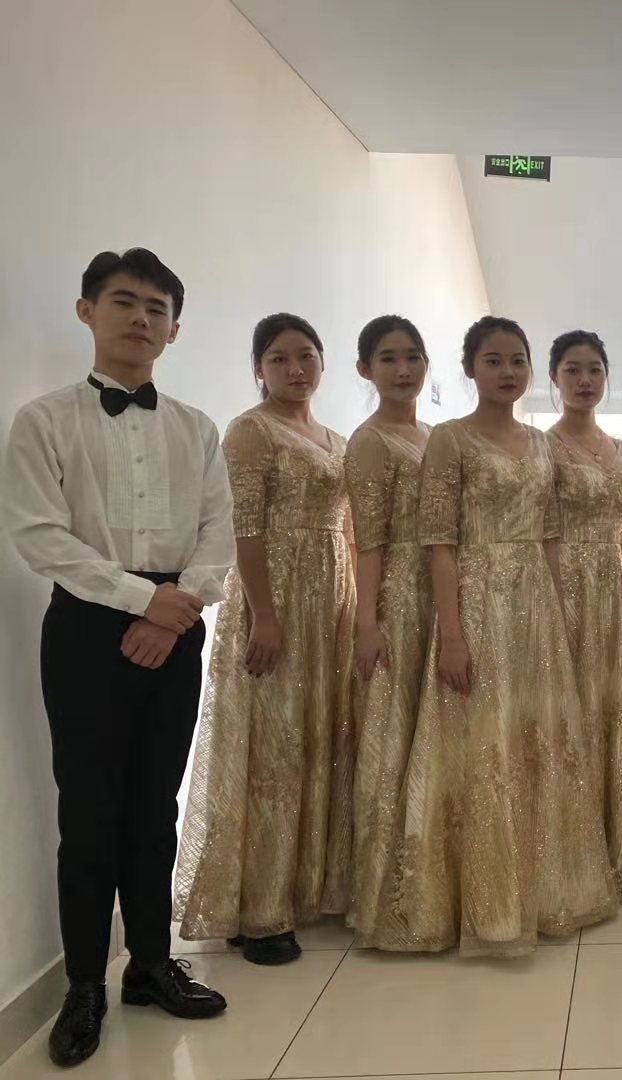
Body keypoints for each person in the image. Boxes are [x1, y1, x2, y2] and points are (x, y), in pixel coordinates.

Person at [3, 249, 231, 1067]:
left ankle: (151, 965)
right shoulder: (43, 421)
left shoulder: (197, 429)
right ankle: (83, 987)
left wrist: (173, 611)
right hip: (87, 626)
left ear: (174, 330)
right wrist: (142, 601)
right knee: (90, 810)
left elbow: (218, 535)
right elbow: (38, 534)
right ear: (87, 311)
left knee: (153, 804)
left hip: (177, 621)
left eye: (156, 308)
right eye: (125, 302)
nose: (141, 319)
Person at [398, 316, 617, 956]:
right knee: (482, 741)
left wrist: (560, 614)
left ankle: (546, 887)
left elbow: (550, 537)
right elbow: (439, 543)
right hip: (478, 600)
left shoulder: (542, 444)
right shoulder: (449, 439)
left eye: (516, 360)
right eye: (493, 360)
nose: (507, 371)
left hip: (536, 605)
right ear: (470, 368)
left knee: (537, 739)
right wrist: (452, 635)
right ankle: (485, 898)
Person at [174, 313, 357, 966]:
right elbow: (244, 527)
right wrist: (265, 615)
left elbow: (348, 529)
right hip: (274, 597)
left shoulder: (336, 439)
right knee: (273, 747)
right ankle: (259, 911)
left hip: (331, 600)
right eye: (279, 358)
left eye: (306, 355)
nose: (295, 369)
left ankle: (308, 887)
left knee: (320, 737)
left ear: (323, 363)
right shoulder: (249, 432)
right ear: (258, 368)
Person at [546, 329, 622, 902]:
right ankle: (566, 847)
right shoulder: (541, 448)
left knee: (611, 705)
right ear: (554, 378)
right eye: (572, 370)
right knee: (567, 705)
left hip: (612, 589)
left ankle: (615, 841)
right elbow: (538, 531)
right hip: (560, 584)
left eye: (594, 369)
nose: (584, 380)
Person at [345, 315, 432, 949]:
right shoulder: (369, 440)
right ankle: (390, 893)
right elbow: (367, 541)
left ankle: (435, 874)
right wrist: (367, 620)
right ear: (365, 370)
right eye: (389, 359)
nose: (403, 370)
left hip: (447, 592)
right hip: (400, 595)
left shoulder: (433, 435)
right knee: (394, 733)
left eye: (412, 357)